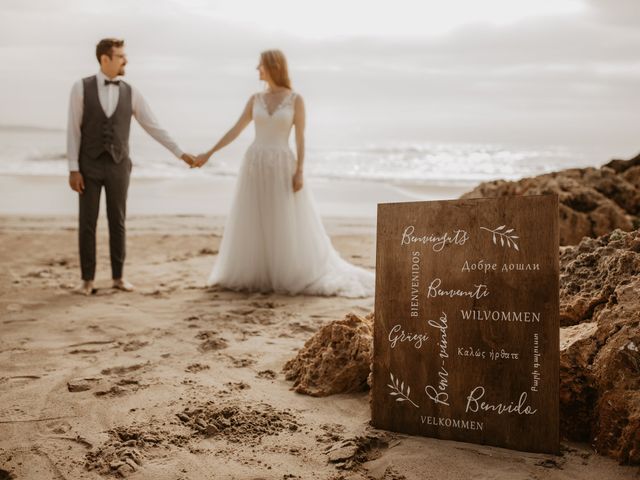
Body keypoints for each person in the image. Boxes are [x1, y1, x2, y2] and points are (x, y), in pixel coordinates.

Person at [192, 49, 374, 298]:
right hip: (255, 163)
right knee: (255, 217)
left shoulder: (295, 99)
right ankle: (259, 273)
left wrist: (300, 171)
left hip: (281, 164)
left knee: (282, 217)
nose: (257, 70)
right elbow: (235, 130)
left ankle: (285, 272)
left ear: (272, 66)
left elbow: (300, 138)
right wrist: (209, 152)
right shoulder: (255, 98)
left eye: (260, 66)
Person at [67, 38, 195, 295]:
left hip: (119, 166)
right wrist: (73, 168)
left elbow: (153, 126)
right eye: (121, 56)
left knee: (118, 221)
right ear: (106, 59)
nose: (126, 61)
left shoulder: (131, 91)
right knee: (87, 223)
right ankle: (87, 281)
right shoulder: (80, 88)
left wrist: (180, 153)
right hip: (88, 166)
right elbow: (73, 129)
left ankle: (118, 277)